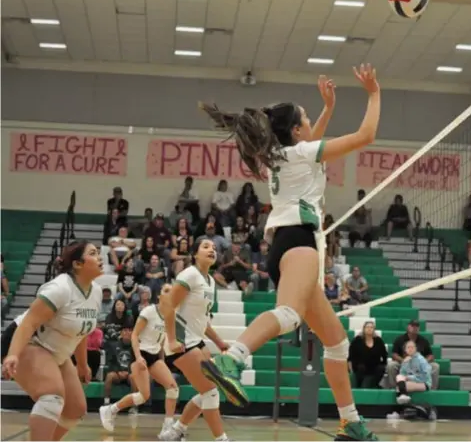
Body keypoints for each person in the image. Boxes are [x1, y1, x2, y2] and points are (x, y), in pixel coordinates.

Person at [197, 66, 380, 441]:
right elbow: (367, 135)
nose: (312, 123)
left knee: (337, 342)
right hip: (298, 239)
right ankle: (232, 357)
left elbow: (308, 143)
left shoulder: (281, 157)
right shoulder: (301, 154)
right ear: (297, 131)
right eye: (308, 119)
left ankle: (351, 422)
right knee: (289, 315)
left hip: (284, 242)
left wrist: (327, 109)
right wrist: (374, 93)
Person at [1, 240, 103, 441]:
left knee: (75, 409)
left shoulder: (96, 292)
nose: (100, 257)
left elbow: (81, 331)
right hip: (28, 340)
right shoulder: (60, 288)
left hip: (56, 350)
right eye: (93, 253)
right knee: (51, 395)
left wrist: (82, 365)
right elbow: (28, 323)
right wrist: (12, 354)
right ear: (77, 264)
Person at [158, 239, 231, 441]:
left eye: (214, 248)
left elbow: (203, 320)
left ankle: (176, 431)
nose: (212, 250)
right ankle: (221, 439)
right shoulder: (189, 274)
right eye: (206, 247)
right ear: (195, 254)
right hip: (181, 342)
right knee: (211, 392)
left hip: (196, 340)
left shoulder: (211, 281)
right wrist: (171, 340)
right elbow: (167, 306)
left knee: (206, 391)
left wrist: (219, 342)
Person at [100, 284, 179, 436]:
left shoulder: (171, 314)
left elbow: (164, 340)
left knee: (173, 388)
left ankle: (167, 428)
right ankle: (110, 409)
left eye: (172, 291)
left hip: (155, 357)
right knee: (143, 396)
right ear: (159, 296)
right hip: (140, 354)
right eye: (166, 291)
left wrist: (164, 357)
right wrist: (138, 357)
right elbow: (135, 335)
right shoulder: (149, 311)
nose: (170, 294)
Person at [348, 321, 387, 389]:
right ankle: (359, 383)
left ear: (374, 329)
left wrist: (383, 365)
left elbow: (384, 356)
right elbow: (350, 357)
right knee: (361, 368)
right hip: (360, 369)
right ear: (364, 329)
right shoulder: (357, 340)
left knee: (381, 368)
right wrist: (351, 370)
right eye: (367, 327)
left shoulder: (378, 341)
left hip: (374, 369)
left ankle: (375, 383)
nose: (369, 329)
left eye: (371, 327)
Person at [395, 340, 432, 405]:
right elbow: (402, 374)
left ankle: (399, 409)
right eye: (408, 347)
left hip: (424, 383)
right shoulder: (407, 360)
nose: (410, 349)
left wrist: (410, 378)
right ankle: (403, 396)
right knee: (399, 377)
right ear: (405, 350)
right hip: (411, 381)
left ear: (416, 349)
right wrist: (404, 363)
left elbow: (425, 376)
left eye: (412, 347)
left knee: (400, 387)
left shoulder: (421, 360)